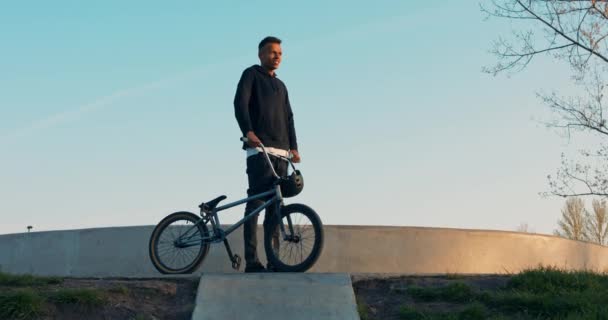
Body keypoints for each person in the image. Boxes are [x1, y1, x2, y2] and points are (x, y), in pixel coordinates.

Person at [233, 36, 301, 273]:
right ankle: (252, 261)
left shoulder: (281, 86)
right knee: (256, 203)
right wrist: (248, 131)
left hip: (282, 154)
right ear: (261, 55)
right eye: (272, 52)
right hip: (260, 151)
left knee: (275, 209)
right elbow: (240, 103)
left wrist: (294, 147)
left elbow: (289, 118)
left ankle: (275, 260)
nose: (277, 56)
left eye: (280, 53)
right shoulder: (251, 74)